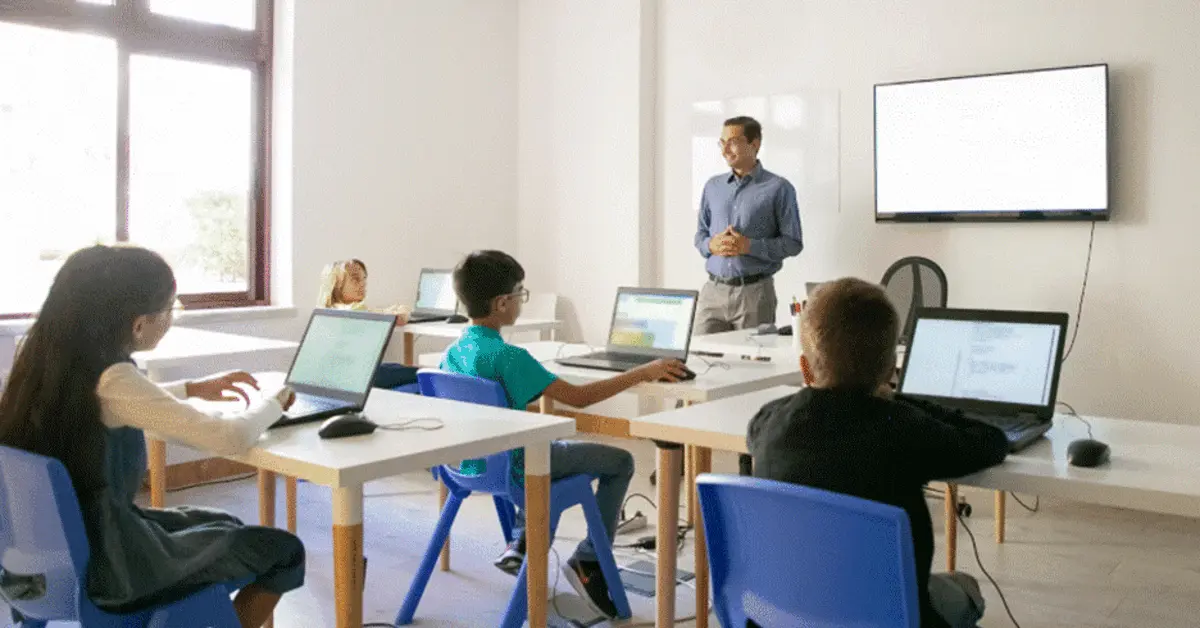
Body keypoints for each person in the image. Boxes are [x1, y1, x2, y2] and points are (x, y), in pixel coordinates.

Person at [0, 245, 304, 628]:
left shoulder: (44, 367)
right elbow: (230, 438)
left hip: (41, 567)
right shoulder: (114, 378)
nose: (171, 319)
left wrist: (191, 388)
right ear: (138, 324)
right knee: (281, 550)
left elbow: (115, 403)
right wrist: (279, 399)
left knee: (225, 521)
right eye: (170, 309)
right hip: (111, 567)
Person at [746, 278, 1008, 628]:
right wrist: (899, 399)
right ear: (889, 371)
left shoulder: (767, 423)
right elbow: (990, 440)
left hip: (782, 613)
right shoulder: (903, 428)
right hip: (886, 615)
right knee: (965, 587)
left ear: (805, 368)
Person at [441, 250, 687, 619]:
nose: (522, 300)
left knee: (542, 441)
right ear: (502, 303)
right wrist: (643, 371)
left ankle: (522, 541)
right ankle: (588, 561)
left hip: (470, 466)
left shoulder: (453, 351)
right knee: (620, 461)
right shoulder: (509, 357)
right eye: (520, 294)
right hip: (519, 469)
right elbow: (580, 398)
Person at [693, 115, 804, 334]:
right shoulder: (712, 187)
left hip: (755, 294)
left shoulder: (779, 188)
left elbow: (793, 243)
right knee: (699, 358)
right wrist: (710, 246)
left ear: (755, 144)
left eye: (732, 142)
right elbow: (700, 235)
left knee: (751, 364)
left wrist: (749, 246)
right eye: (722, 143)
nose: (725, 150)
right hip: (712, 293)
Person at [317, 258, 416, 389]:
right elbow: (400, 319)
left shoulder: (327, 310)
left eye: (364, 279)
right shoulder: (356, 311)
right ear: (337, 284)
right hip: (362, 375)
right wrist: (403, 310)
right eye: (356, 279)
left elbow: (373, 312)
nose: (363, 284)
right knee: (419, 372)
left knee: (395, 367)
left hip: (338, 376)